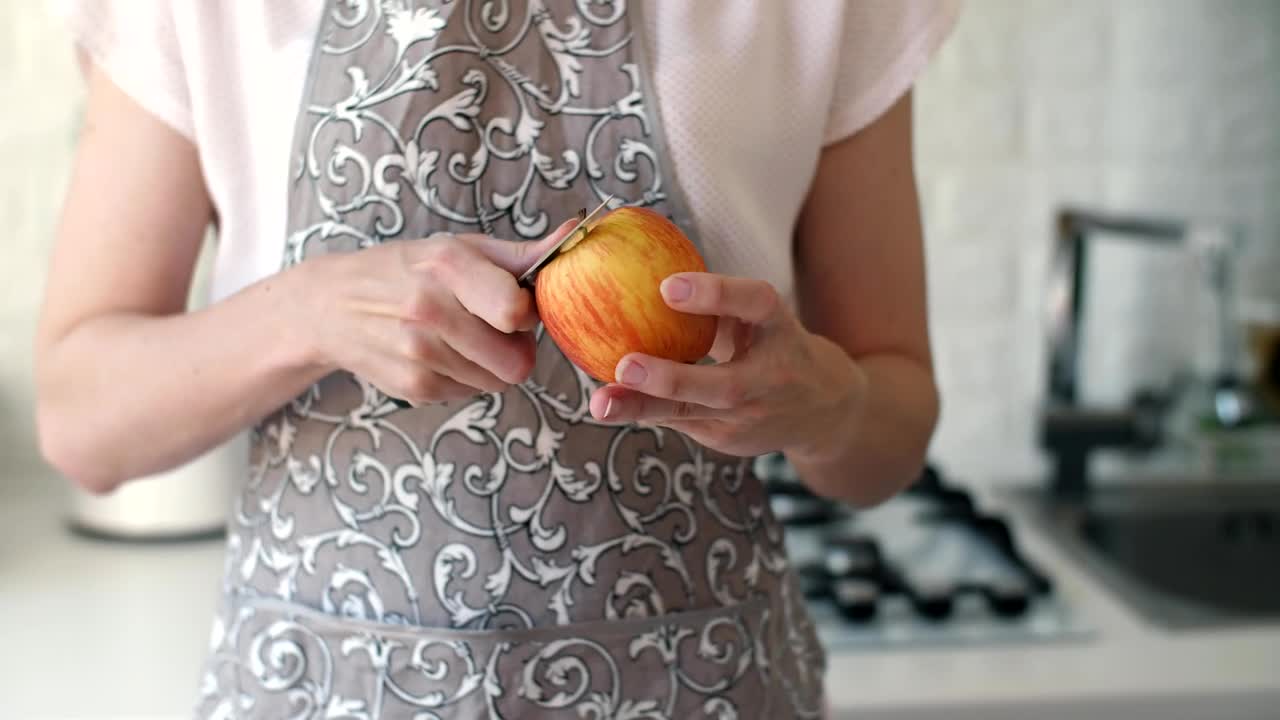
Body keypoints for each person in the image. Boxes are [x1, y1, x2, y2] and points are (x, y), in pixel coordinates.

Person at [36, 1, 957, 717]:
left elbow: (893, 428)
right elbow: (83, 424)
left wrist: (827, 408)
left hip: (704, 684)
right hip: (322, 690)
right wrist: (305, 314)